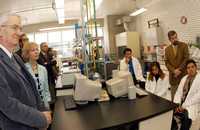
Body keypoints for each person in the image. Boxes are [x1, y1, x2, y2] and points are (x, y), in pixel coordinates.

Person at [0, 14, 52, 130]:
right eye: (14, 27)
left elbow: (32, 87)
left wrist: (43, 110)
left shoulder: (16, 58)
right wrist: (40, 118)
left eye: (20, 28)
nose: (19, 33)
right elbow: (7, 104)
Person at [23, 42, 51, 109]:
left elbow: (46, 88)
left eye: (37, 49)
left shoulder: (43, 69)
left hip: (44, 104)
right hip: (31, 106)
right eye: (33, 50)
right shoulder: (23, 69)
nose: (36, 52)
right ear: (27, 54)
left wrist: (47, 104)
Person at [173, 59, 200, 130]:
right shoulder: (184, 78)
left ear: (196, 67)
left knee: (186, 116)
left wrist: (183, 106)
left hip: (192, 105)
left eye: (192, 67)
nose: (190, 69)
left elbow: (197, 97)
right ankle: (174, 127)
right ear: (186, 70)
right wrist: (177, 104)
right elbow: (178, 92)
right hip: (181, 104)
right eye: (188, 68)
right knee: (169, 113)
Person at [165, 30, 189, 100]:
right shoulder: (167, 49)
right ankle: (175, 110)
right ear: (169, 39)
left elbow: (186, 58)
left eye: (176, 37)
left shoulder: (184, 46)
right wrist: (174, 71)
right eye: (172, 38)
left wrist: (179, 70)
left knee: (184, 97)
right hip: (173, 77)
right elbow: (166, 62)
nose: (175, 39)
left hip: (183, 75)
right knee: (174, 98)